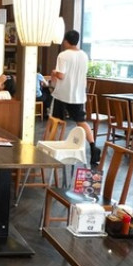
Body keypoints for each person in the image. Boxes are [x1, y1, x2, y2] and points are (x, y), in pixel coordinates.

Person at [51, 29, 101, 165]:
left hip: (63, 94)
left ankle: (53, 147)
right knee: (81, 121)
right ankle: (93, 146)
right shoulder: (84, 55)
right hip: (78, 94)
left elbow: (61, 75)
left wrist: (54, 72)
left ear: (66, 41)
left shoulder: (63, 55)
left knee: (56, 121)